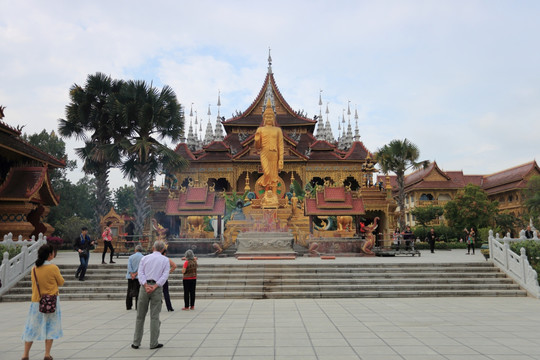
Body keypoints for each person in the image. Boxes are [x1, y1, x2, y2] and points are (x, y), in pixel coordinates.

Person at [21, 244, 65, 360]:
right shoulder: (53, 268)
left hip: (37, 301)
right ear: (50, 254)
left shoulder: (34, 269)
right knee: (50, 327)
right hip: (51, 301)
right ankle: (47, 354)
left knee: (31, 327)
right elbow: (61, 282)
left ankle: (25, 354)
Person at [132, 241, 170, 350]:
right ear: (163, 249)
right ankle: (153, 343)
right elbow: (165, 275)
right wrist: (156, 285)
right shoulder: (165, 260)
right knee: (154, 316)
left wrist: (145, 285)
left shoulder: (145, 258)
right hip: (156, 289)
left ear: (153, 248)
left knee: (140, 316)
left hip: (144, 288)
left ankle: (136, 342)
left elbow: (141, 273)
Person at [254, 98, 284, 195]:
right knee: (266, 172)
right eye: (267, 117)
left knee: (274, 175)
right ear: (264, 118)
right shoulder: (260, 129)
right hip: (264, 153)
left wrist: (281, 160)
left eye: (271, 117)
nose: (269, 119)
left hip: (274, 154)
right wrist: (257, 140)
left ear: (274, 118)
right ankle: (267, 193)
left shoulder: (278, 130)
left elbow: (280, 145)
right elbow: (257, 147)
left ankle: (273, 196)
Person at [126, 245, 144, 310]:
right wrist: (136, 274)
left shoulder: (131, 257)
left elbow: (129, 266)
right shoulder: (143, 257)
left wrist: (131, 274)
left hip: (130, 276)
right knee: (138, 291)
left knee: (129, 290)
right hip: (138, 276)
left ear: (135, 250)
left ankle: (128, 305)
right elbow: (142, 267)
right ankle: (137, 306)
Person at [161, 248, 177, 312]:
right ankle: (169, 307)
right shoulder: (167, 259)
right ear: (164, 253)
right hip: (164, 278)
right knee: (166, 292)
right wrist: (169, 272)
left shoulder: (156, 259)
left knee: (156, 292)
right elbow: (174, 266)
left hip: (156, 278)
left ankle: (158, 304)